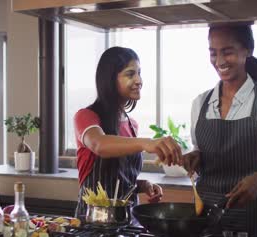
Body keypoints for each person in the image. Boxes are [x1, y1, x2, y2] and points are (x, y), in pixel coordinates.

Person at [183, 24, 257, 237]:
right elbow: (200, 150)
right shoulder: (200, 103)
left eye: (227, 51)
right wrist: (196, 157)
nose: (219, 62)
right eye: (213, 53)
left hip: (253, 227)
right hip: (205, 225)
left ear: (247, 50)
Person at [74, 46, 183, 218]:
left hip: (126, 220)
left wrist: (143, 185)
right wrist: (147, 143)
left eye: (139, 73)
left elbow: (118, 182)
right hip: (93, 222)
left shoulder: (132, 125)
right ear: (110, 79)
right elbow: (99, 144)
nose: (139, 80)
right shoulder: (86, 117)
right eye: (130, 74)